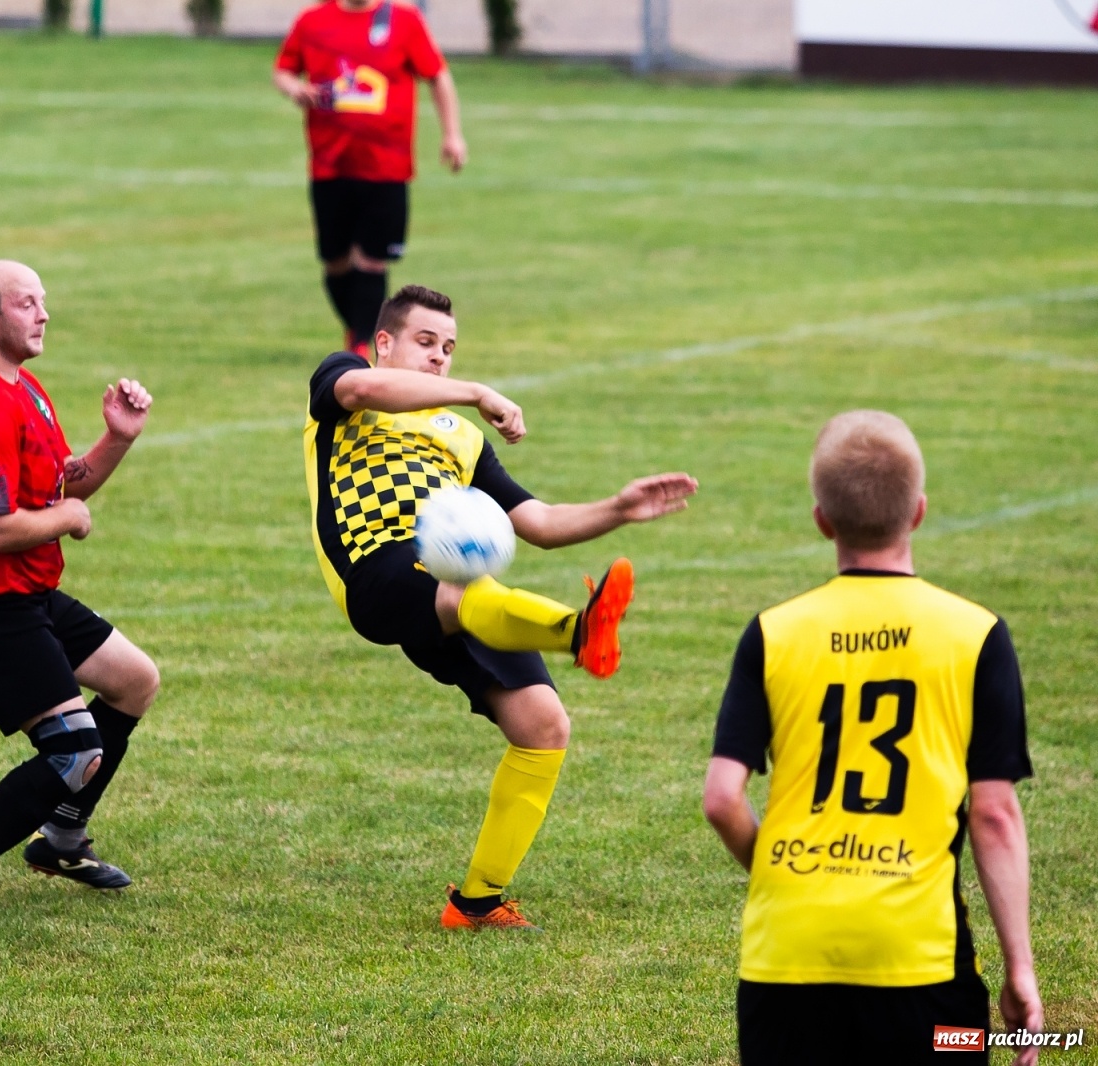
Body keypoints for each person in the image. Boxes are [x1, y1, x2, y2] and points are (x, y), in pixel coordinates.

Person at [304, 284, 697, 929]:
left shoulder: (461, 438)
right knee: (466, 594)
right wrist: (479, 392)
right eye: (425, 342)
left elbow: (536, 520)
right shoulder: (345, 379)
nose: (439, 358)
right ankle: (576, 630)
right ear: (383, 343)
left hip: (460, 586)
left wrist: (619, 510)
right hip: (378, 567)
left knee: (544, 727)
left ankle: (478, 902)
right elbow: (365, 393)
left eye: (449, 349)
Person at [702, 411, 1042, 1066]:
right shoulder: (975, 634)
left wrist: (777, 873)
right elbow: (994, 816)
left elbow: (721, 798)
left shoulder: (774, 631)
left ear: (822, 520)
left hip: (787, 954)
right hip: (916, 959)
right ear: (918, 512)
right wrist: (1020, 967)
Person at [0, 260, 161, 927]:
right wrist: (68, 522)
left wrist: (117, 441)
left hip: (26, 590)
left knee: (134, 681)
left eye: (43, 301)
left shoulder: (20, 386)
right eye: (28, 303)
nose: (44, 313)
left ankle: (62, 839)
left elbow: (58, 487)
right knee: (74, 751)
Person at [273, 0, 466, 357]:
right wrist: (293, 89)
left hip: (386, 167)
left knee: (372, 261)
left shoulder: (403, 20)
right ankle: (360, 329)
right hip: (330, 163)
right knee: (336, 262)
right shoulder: (313, 21)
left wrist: (451, 134)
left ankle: (363, 343)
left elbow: (437, 75)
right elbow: (283, 69)